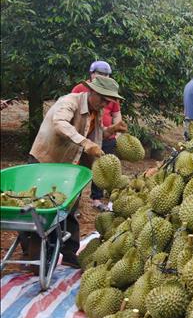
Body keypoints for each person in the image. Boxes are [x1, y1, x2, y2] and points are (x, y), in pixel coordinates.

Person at [26, 76, 127, 268]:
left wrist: (112, 129)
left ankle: (70, 253)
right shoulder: (69, 101)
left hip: (68, 167)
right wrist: (85, 143)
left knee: (70, 208)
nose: (105, 105)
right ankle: (34, 257)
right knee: (39, 210)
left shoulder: (95, 112)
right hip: (46, 160)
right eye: (103, 99)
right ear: (92, 91)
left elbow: (95, 136)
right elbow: (60, 123)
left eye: (109, 102)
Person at [72, 60, 121, 211]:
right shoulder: (80, 89)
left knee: (102, 169)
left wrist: (116, 132)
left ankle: (97, 198)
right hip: (84, 135)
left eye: (106, 75)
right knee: (76, 167)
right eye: (100, 74)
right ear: (91, 74)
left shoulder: (111, 93)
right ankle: (73, 202)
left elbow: (117, 114)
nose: (103, 77)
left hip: (105, 136)